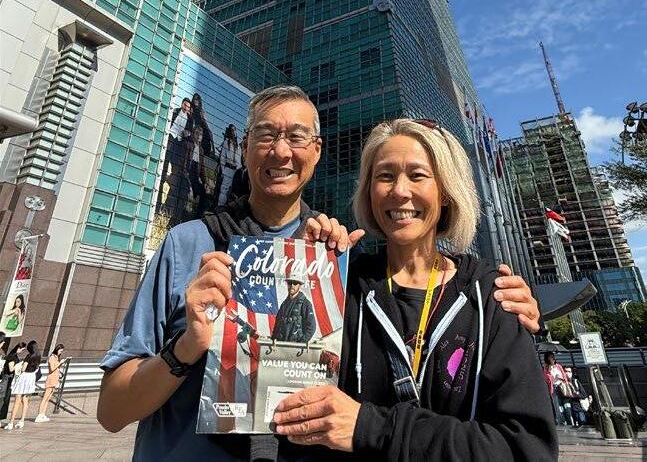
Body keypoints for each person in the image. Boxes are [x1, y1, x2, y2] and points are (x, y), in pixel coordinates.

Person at [97, 86, 541, 461]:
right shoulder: (186, 245)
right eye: (266, 135)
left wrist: (501, 302)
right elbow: (112, 413)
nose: (281, 151)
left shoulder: (338, 264)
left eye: (296, 136)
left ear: (317, 151)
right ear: (246, 145)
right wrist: (186, 348)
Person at [272, 118, 558, 460]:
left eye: (417, 175)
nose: (399, 191)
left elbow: (526, 448)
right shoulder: (344, 290)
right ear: (369, 192)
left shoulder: (492, 298)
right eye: (385, 176)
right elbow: (285, 414)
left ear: (446, 192)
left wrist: (369, 428)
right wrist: (303, 268)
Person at [5, 339, 40, 431]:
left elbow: (23, 369)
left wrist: (21, 365)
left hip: (24, 378)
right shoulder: (38, 356)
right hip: (31, 378)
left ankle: (11, 423)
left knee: (17, 400)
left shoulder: (29, 356)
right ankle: (22, 421)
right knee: (25, 400)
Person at [272, 277, 316, 344]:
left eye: (295, 283)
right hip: (281, 344)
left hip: (296, 346)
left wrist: (301, 343)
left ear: (299, 286)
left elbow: (311, 327)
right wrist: (273, 339)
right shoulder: (284, 304)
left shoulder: (305, 304)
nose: (292, 285)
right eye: (290, 283)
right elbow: (277, 324)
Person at [35, 343, 66, 423]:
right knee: (45, 397)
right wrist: (60, 363)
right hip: (51, 379)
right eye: (60, 351)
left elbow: (56, 368)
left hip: (55, 379)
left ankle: (43, 414)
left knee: (48, 398)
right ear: (57, 349)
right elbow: (52, 368)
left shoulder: (56, 357)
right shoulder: (52, 357)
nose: (60, 352)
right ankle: (39, 414)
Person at [543, 351, 573, 426]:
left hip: (562, 386)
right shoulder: (546, 368)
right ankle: (562, 423)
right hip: (554, 388)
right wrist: (550, 372)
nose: (552, 358)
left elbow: (564, 377)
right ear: (547, 358)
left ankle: (570, 422)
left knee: (566, 405)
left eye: (552, 357)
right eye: (550, 357)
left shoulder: (558, 366)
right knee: (558, 406)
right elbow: (546, 380)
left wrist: (560, 378)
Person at [0, 341, 26, 426]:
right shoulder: (12, 357)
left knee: (5, 399)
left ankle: (1, 418)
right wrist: (18, 365)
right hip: (7, 379)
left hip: (9, 379)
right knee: (3, 398)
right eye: (22, 349)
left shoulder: (14, 356)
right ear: (18, 348)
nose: (22, 351)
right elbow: (11, 369)